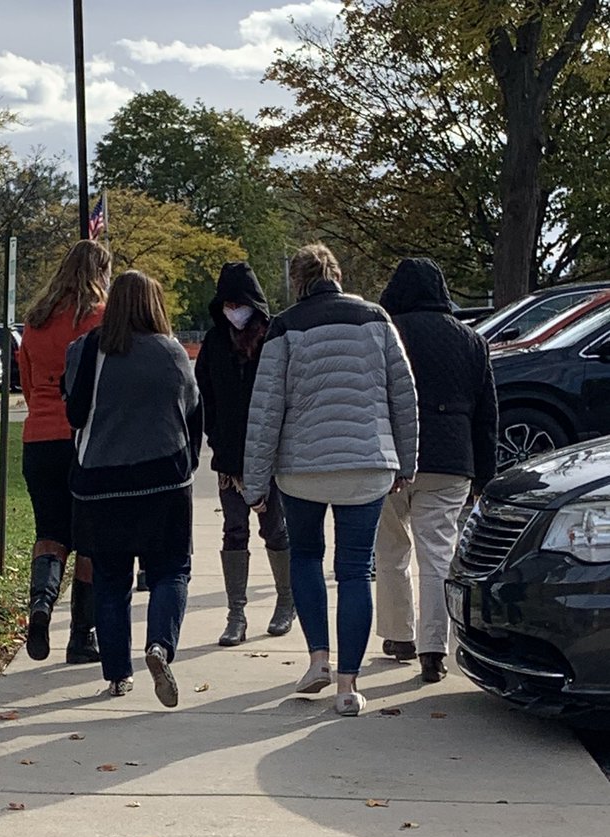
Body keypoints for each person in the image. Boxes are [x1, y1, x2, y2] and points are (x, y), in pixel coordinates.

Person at [242, 243, 418, 716]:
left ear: (297, 281)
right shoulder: (377, 320)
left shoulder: (285, 327)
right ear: (336, 275)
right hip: (367, 462)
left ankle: (318, 657)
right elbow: (404, 396)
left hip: (302, 467)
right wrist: (406, 462)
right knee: (356, 568)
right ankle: (348, 685)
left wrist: (254, 484)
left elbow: (266, 411)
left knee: (306, 555)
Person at [64, 271, 202, 707]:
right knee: (171, 570)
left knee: (110, 578)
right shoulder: (170, 352)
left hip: (101, 481)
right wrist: (190, 463)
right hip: (163, 478)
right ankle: (159, 645)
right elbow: (194, 411)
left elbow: (73, 412)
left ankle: (117, 674)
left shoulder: (86, 350)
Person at [376, 257, 498, 682]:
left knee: (390, 550)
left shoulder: (386, 333)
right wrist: (484, 475)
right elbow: (487, 415)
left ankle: (398, 635)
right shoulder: (470, 341)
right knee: (438, 554)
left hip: (392, 457)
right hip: (451, 460)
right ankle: (434, 648)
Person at [19, 239, 111, 664]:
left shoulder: (34, 323)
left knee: (50, 533)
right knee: (91, 538)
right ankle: (81, 636)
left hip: (38, 438)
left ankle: (40, 605)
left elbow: (26, 383)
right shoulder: (101, 319)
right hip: (84, 438)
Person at [195, 262, 293, 646]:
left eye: (240, 303)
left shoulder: (272, 339)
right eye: (227, 304)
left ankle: (286, 601)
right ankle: (236, 614)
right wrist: (217, 440)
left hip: (270, 457)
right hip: (229, 457)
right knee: (234, 531)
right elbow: (206, 397)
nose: (234, 312)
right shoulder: (215, 343)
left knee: (274, 529)